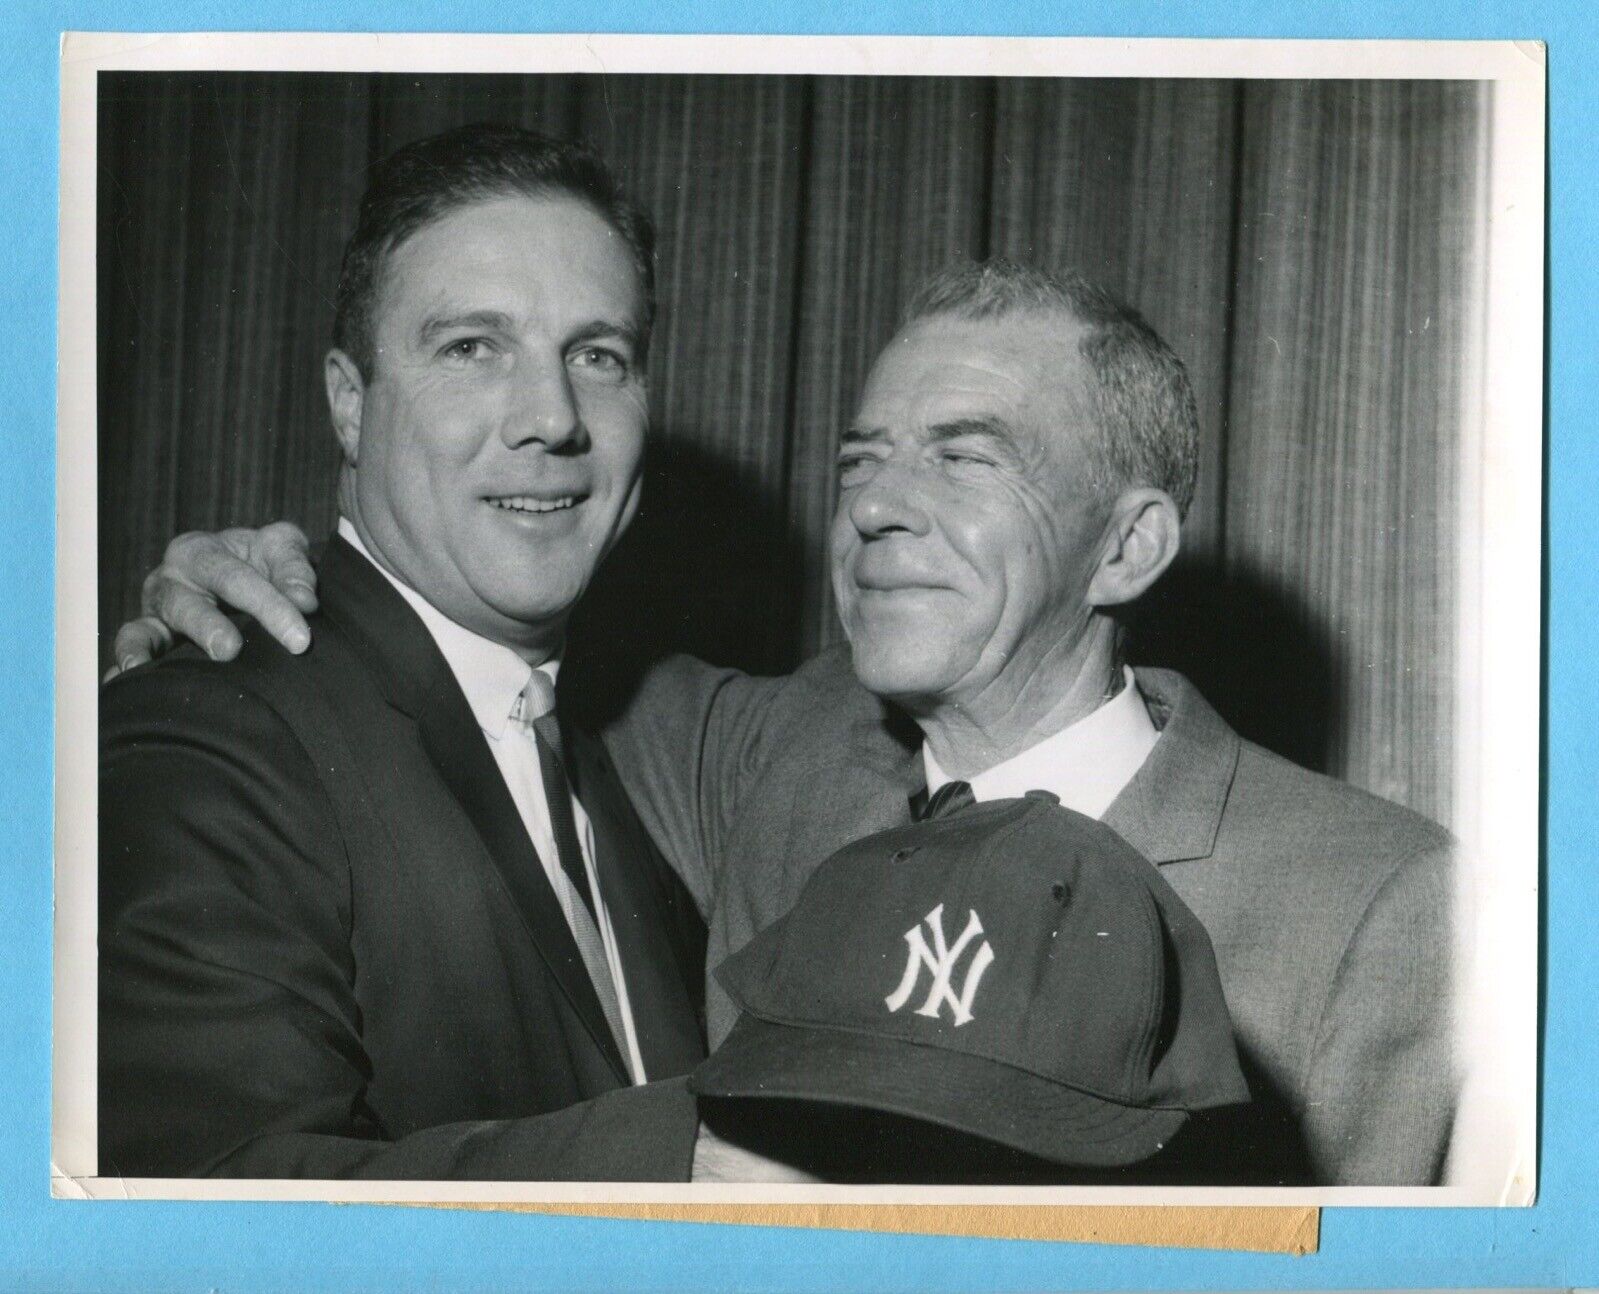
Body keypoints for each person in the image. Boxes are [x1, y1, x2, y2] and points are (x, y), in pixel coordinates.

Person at [115, 261, 1456, 1184]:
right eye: (859, 460)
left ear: (1127, 545)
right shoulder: (757, 756)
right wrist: (268, 584)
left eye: (963, 452)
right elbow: (456, 659)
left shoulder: (1376, 905)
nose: (875, 504)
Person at [98, 124, 714, 1179]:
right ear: (350, 399)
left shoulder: (621, 747)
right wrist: (705, 1169)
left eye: (597, 355)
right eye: (473, 347)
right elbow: (210, 1208)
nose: (553, 417)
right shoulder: (210, 724)